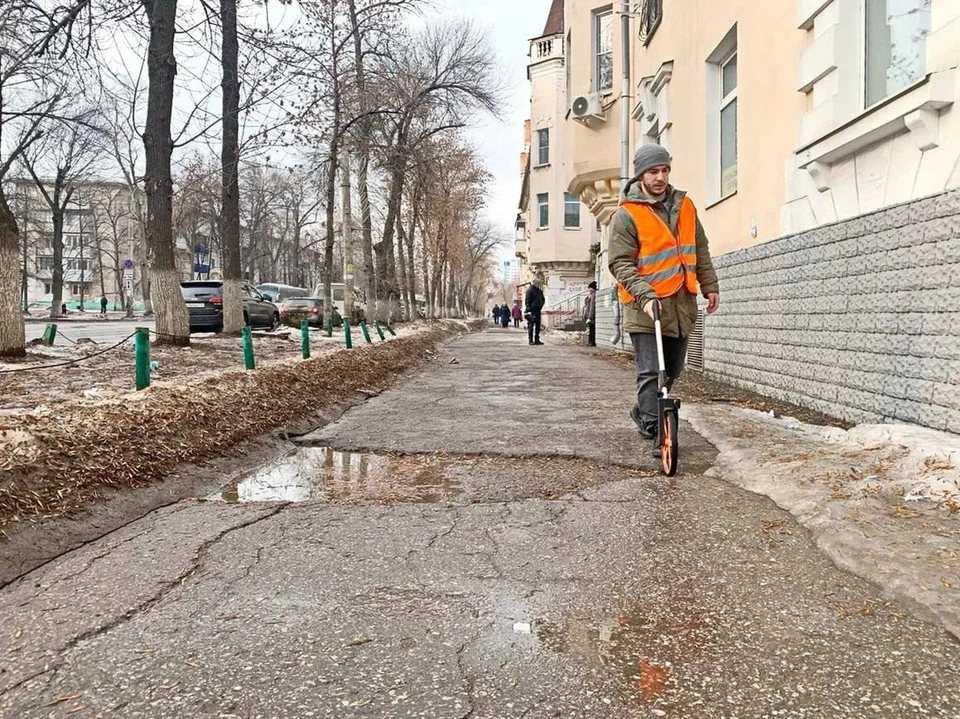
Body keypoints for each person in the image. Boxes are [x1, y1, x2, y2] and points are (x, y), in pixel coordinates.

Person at [608, 145, 720, 458]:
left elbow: (701, 249)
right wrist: (644, 295)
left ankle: (644, 408)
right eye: (653, 171)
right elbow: (620, 263)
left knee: (672, 368)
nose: (660, 177)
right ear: (641, 174)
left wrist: (709, 285)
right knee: (651, 370)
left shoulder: (685, 206)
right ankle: (656, 428)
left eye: (664, 170)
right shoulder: (627, 214)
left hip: (681, 303)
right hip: (646, 303)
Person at [524, 279, 545, 345]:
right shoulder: (530, 290)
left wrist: (540, 305)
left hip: (538, 310)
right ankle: (530, 340)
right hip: (532, 311)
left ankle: (537, 339)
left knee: (538, 326)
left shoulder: (539, 291)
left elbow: (543, 299)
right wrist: (528, 310)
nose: (539, 285)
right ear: (535, 283)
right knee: (531, 326)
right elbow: (527, 301)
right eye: (538, 283)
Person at [582, 281, 597, 347]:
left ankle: (592, 342)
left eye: (590, 288)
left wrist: (590, 317)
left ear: (593, 289)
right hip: (589, 315)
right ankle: (590, 341)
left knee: (592, 329)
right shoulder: (590, 296)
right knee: (590, 329)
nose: (589, 290)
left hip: (591, 316)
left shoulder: (593, 296)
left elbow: (592, 307)